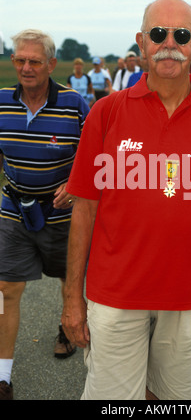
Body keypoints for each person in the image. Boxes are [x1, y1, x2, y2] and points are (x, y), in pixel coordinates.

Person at [61, 0, 191, 401]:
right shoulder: (106, 113)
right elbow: (84, 209)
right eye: (158, 33)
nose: (170, 42)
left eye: (181, 34)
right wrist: (72, 299)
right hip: (115, 293)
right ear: (141, 42)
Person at [0, 29, 90, 400]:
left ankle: (65, 329)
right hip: (13, 210)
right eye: (20, 60)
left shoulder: (74, 103)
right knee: (7, 289)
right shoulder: (2, 102)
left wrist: (75, 184)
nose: (26, 67)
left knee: (69, 282)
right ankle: (3, 377)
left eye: (34, 61)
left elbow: (95, 155)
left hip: (62, 215)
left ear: (52, 64)